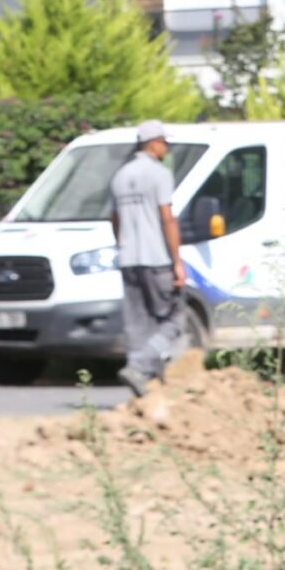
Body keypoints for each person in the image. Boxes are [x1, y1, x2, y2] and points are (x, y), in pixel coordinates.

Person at [109, 120, 187, 408]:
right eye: (165, 143)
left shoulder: (120, 175)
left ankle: (142, 392)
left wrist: (123, 245)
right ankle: (139, 368)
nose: (167, 148)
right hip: (157, 260)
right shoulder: (159, 174)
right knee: (174, 320)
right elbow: (167, 218)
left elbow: (114, 218)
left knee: (138, 324)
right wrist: (177, 261)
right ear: (154, 143)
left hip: (128, 259)